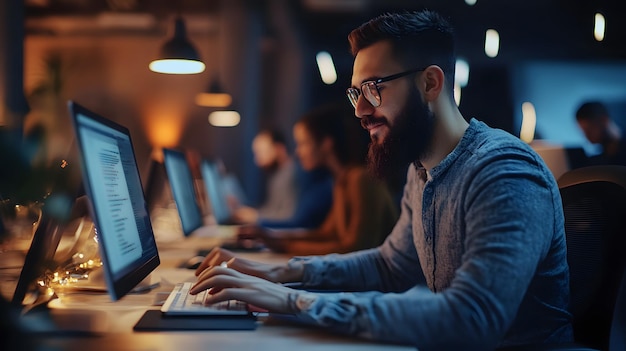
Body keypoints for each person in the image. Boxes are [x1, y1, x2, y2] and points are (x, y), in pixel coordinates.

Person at [190, 10, 573, 350]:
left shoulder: (504, 172)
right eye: (356, 92)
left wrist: (295, 301)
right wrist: (282, 272)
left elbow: (472, 319)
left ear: (430, 84)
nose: (359, 110)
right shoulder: (421, 169)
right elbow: (389, 266)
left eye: (374, 88)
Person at [239, 103, 398, 255]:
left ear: (326, 144)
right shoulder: (342, 180)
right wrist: (271, 238)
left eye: (303, 143)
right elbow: (326, 233)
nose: (298, 152)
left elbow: (354, 248)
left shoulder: (360, 179)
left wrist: (282, 244)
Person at [232, 128, 300, 223]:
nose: (257, 161)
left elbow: (289, 215)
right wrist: (250, 212)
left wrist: (256, 217)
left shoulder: (292, 174)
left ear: (279, 149)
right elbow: (273, 210)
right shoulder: (278, 174)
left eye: (261, 152)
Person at [575, 101, 626, 166]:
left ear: (604, 120)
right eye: (584, 131)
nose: (586, 135)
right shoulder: (600, 159)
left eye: (590, 129)